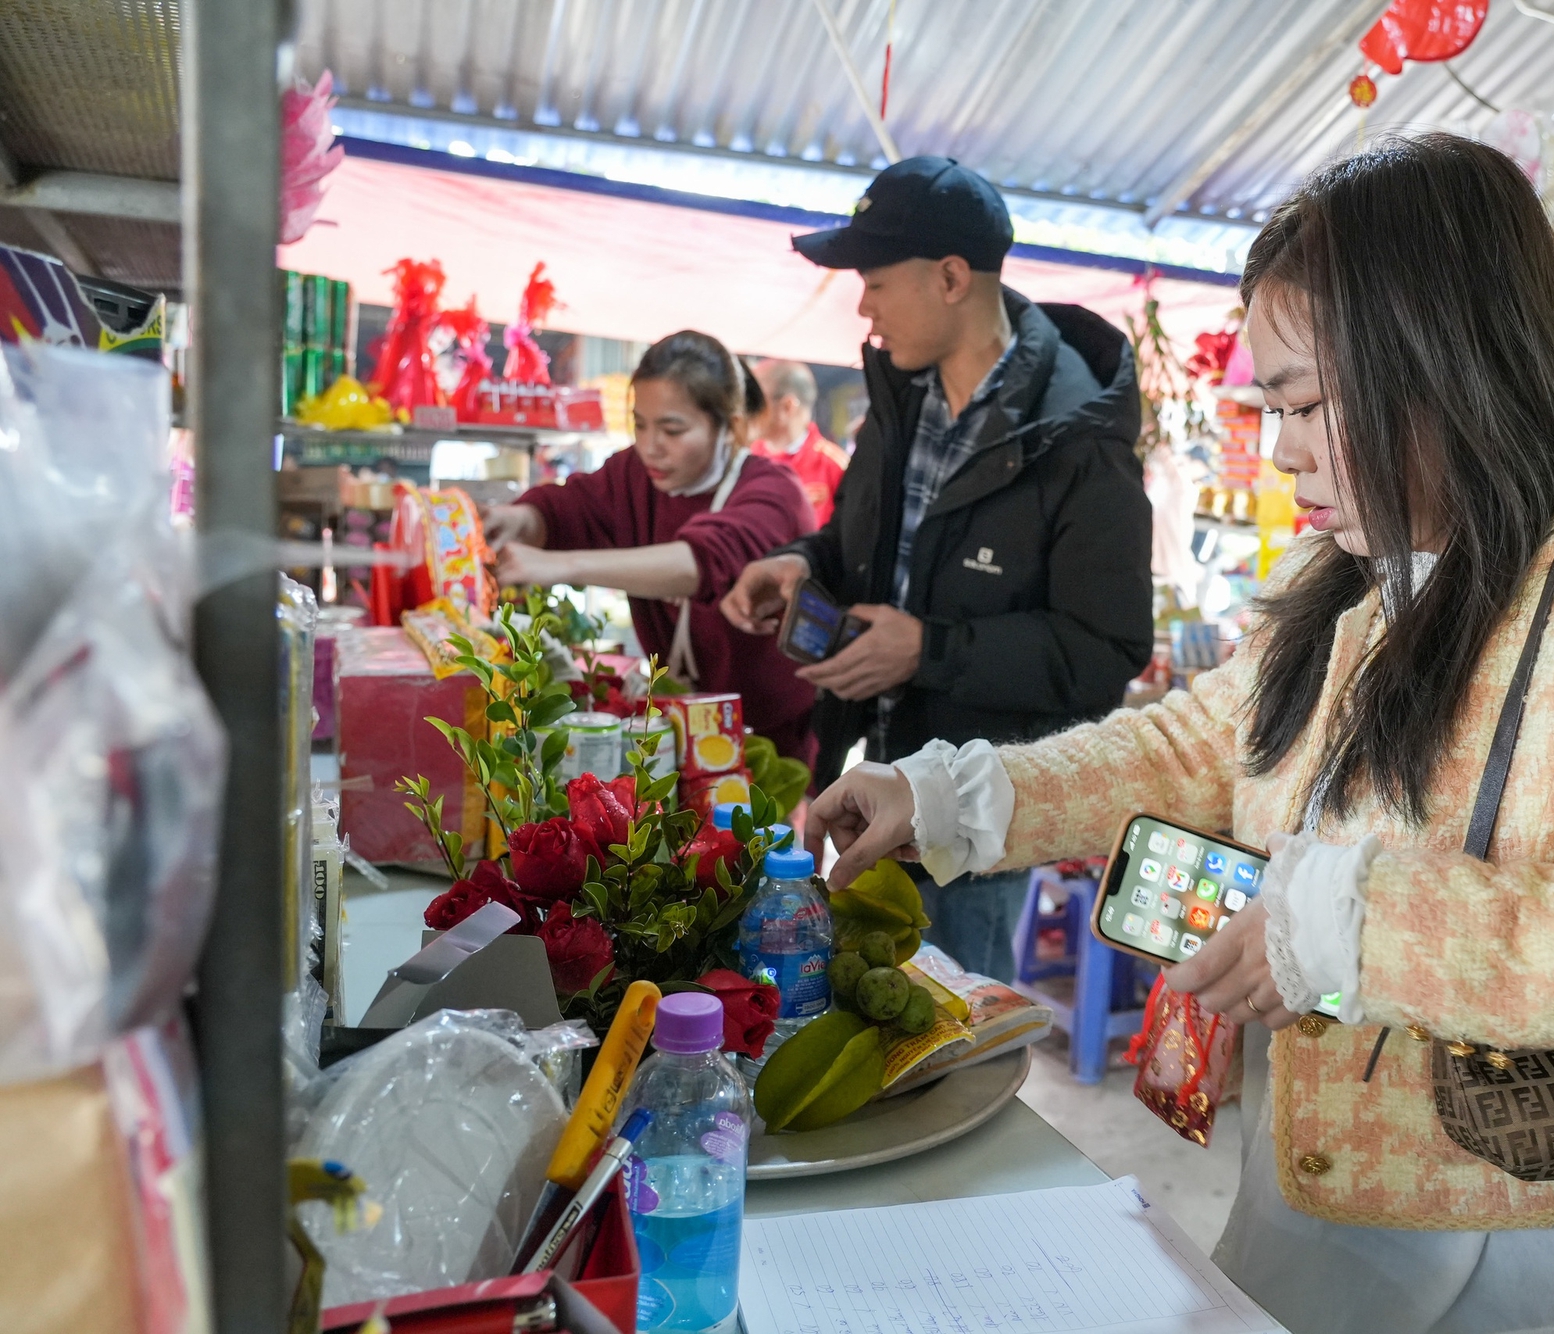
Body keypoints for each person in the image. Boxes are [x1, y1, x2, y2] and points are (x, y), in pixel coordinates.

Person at [798, 136, 1554, 1334]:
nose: (1281, 445)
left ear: (1438, 357)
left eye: (1303, 400)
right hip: (1332, 1211)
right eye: (1270, 405)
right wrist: (947, 797)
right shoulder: (1360, 569)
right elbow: (1198, 745)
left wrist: (1356, 923)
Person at [719, 156, 1153, 981]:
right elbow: (854, 541)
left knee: (954, 1027)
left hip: (978, 825)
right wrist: (796, 563)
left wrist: (929, 649)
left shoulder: (1079, 444)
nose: (863, 307)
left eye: (875, 281)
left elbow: (1107, 649)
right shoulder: (901, 403)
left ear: (951, 278)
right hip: (871, 777)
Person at [485, 331, 818, 765]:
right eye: (640, 424)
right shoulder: (633, 474)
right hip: (675, 721)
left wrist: (558, 565)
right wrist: (517, 521)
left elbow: (701, 562)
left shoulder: (774, 493)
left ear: (729, 426)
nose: (650, 446)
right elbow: (568, 508)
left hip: (768, 737)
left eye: (672, 429)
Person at [750, 359, 848, 529]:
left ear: (787, 406)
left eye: (755, 400)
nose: (747, 409)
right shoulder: (744, 461)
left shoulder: (835, 466)